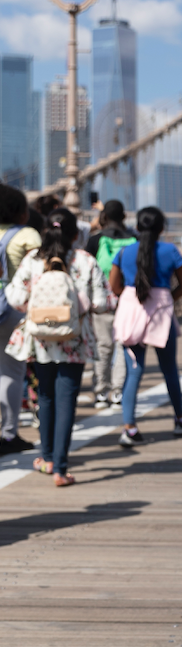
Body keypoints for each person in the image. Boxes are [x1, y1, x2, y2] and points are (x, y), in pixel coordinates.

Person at [4, 206, 108, 486]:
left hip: (39, 339)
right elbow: (102, 302)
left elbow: (14, 297)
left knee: (46, 397)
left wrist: (37, 309)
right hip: (74, 339)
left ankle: (47, 459)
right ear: (76, 234)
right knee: (66, 401)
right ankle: (61, 469)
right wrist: (78, 306)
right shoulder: (85, 260)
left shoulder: (32, 261)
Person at [110, 206, 182, 447]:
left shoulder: (124, 252)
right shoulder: (170, 251)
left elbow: (114, 286)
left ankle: (130, 428)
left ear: (136, 227)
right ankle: (179, 419)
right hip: (161, 316)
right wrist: (166, 299)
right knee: (169, 370)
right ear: (162, 228)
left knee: (133, 372)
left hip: (131, 314)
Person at [0, 184, 43, 455]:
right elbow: (43, 269)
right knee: (11, 371)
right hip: (12, 310)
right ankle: (8, 434)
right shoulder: (27, 234)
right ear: (20, 212)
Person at [86, 198, 134, 410]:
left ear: (103, 217)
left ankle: (100, 392)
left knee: (103, 346)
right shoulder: (135, 239)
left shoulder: (95, 240)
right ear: (124, 216)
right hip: (128, 300)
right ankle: (118, 392)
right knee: (123, 346)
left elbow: (86, 271)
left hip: (101, 301)